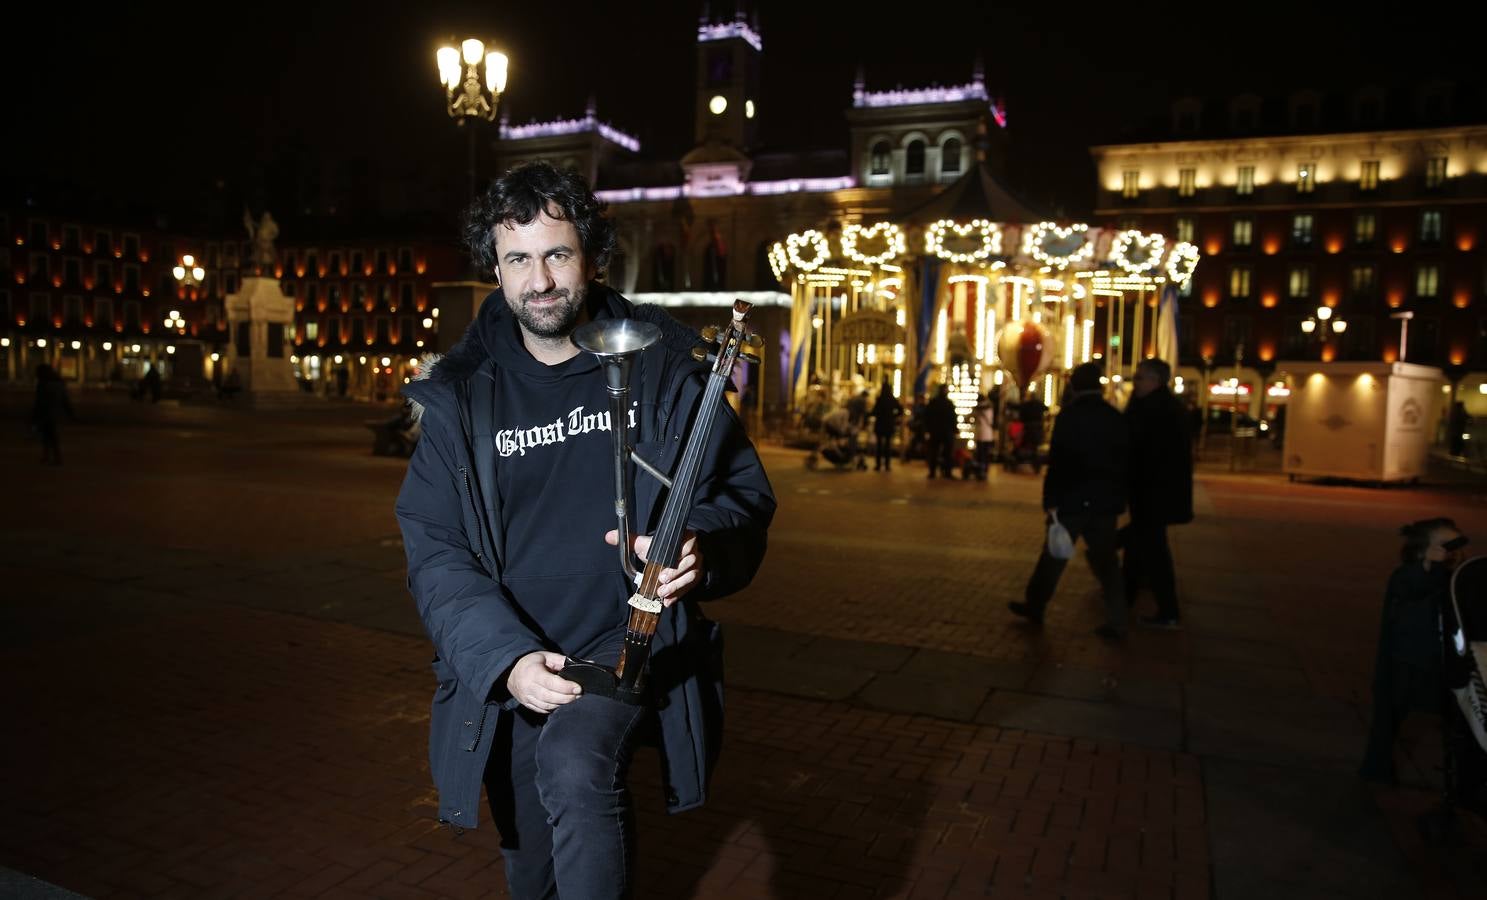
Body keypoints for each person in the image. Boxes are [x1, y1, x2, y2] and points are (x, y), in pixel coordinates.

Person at [394, 161, 776, 900]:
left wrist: (698, 542)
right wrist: (505, 660)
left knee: (574, 769)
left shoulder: (667, 369)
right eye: (517, 259)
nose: (538, 280)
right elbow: (435, 552)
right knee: (530, 862)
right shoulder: (460, 396)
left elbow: (742, 498)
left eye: (556, 254)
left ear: (592, 257)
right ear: (496, 272)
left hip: (624, 639)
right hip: (514, 650)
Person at [1009, 362, 1130, 640]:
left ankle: (1036, 605)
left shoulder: (1070, 417)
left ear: (1075, 386)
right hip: (1103, 502)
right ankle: (1118, 618)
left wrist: (1051, 500)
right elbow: (1124, 460)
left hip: (1072, 499)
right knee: (1107, 563)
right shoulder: (1114, 417)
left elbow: (1059, 462)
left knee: (1053, 555)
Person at [1360, 519, 1468, 784]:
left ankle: (1465, 780)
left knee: (1461, 722)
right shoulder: (1409, 574)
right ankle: (1377, 770)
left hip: (1439, 665)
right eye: (1444, 545)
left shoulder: (1452, 578)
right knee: (1388, 721)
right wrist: (1427, 566)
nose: (1451, 552)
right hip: (1403, 663)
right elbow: (1410, 586)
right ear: (1422, 550)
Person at [1123, 359, 1194, 629]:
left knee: (1153, 552)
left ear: (1154, 381)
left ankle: (1167, 611)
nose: (1135, 383)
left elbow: (1140, 450)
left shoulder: (1154, 410)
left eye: (1139, 378)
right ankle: (1125, 600)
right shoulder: (1165, 408)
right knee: (1142, 549)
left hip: (1152, 494)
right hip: (1156, 493)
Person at [32, 363, 74, 465]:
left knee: (48, 435)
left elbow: (39, 400)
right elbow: (64, 399)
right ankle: (53, 456)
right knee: (51, 435)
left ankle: (51, 456)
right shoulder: (57, 383)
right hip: (53, 412)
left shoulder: (43, 384)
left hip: (46, 412)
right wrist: (70, 413)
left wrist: (35, 414)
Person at [923, 383, 958, 479]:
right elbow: (953, 418)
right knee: (947, 453)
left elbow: (927, 416)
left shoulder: (933, 402)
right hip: (946, 431)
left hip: (936, 431)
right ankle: (947, 472)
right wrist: (954, 429)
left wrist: (928, 429)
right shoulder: (948, 404)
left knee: (934, 452)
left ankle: (933, 472)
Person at [870, 377, 902, 472]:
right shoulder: (892, 399)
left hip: (880, 424)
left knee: (879, 446)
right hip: (889, 424)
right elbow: (900, 409)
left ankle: (878, 465)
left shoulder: (880, 399)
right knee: (888, 446)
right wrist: (893, 416)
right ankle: (887, 465)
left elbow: (874, 411)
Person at [971, 390, 997, 481]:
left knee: (980, 454)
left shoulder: (977, 409)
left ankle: (980, 470)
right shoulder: (990, 408)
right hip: (988, 434)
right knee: (986, 454)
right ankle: (985, 470)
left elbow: (972, 418)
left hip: (980, 434)